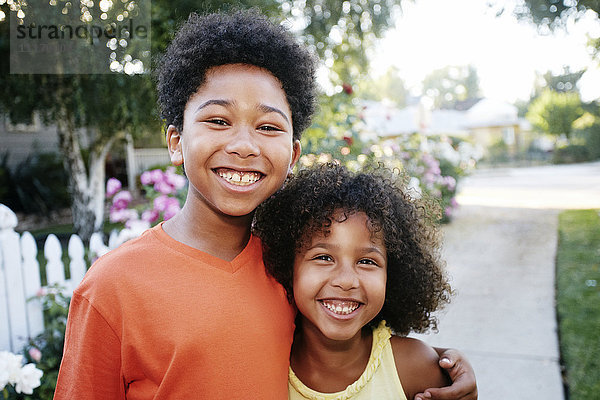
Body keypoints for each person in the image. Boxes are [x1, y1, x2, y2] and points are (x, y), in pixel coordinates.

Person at [54, 9, 477, 399]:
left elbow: (354, 342)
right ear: (176, 142)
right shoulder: (113, 288)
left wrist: (442, 363)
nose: (243, 145)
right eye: (218, 120)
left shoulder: (292, 264)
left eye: (268, 126)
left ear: (293, 155)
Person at [254, 163, 469, 400]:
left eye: (367, 262)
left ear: (393, 274)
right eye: (324, 257)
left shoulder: (415, 369)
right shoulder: (264, 366)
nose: (346, 281)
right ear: (287, 266)